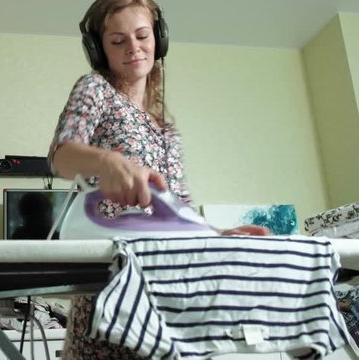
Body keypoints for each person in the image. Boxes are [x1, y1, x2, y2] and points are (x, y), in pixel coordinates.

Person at [47, 0, 268, 357]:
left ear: (159, 39)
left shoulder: (165, 129)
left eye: (142, 35)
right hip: (114, 293)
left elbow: (177, 211)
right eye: (118, 41)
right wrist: (106, 161)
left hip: (171, 299)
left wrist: (216, 236)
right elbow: (61, 156)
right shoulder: (95, 89)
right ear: (99, 49)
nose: (133, 48)